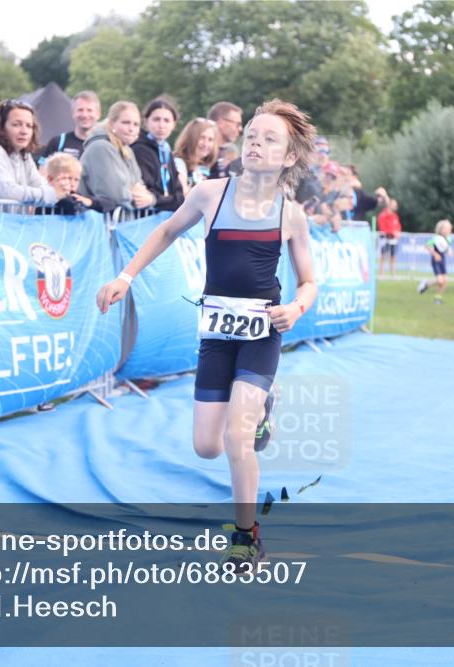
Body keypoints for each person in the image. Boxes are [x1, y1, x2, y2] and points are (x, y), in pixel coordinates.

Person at [96, 99, 318, 571]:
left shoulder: (290, 214)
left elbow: (309, 281)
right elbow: (165, 233)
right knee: (208, 447)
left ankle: (246, 535)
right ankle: (265, 408)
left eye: (269, 138)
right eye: (252, 134)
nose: (256, 142)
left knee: (238, 440)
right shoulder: (209, 194)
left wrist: (297, 308)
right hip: (217, 333)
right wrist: (126, 277)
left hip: (262, 333)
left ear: (290, 157)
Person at [0, 99, 66, 207]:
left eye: (29, 126)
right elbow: (8, 192)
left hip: (5, 222)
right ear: (1, 127)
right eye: (16, 124)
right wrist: (53, 195)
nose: (24, 131)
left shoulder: (23, 155)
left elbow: (39, 185)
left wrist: (63, 196)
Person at [79, 101, 155, 214]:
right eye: (126, 123)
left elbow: (140, 185)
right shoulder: (101, 147)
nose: (131, 129)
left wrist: (150, 199)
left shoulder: (126, 149)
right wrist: (135, 195)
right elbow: (114, 195)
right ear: (111, 124)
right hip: (100, 224)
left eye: (136, 124)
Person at [132, 95, 185, 212]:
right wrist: (165, 199)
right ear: (146, 121)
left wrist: (157, 200)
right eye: (156, 119)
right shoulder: (139, 149)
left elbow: (180, 196)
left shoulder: (166, 150)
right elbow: (148, 191)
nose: (161, 125)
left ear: (174, 124)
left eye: (166, 120)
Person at [40, 91, 101, 164]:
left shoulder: (107, 144)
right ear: (72, 113)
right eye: (80, 110)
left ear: (98, 114)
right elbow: (42, 171)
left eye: (89, 110)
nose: (84, 115)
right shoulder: (58, 142)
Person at [173, 117, 218, 194]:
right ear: (190, 138)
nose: (205, 144)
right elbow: (183, 196)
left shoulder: (203, 168)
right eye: (202, 138)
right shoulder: (178, 162)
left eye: (210, 139)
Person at [417, 219, 453, 303]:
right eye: (446, 228)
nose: (448, 230)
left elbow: (446, 248)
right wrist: (435, 254)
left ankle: (438, 298)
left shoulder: (448, 239)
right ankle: (426, 283)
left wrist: (449, 252)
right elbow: (427, 246)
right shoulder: (436, 238)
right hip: (435, 260)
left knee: (445, 280)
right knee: (440, 280)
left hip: (442, 260)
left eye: (449, 229)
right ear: (441, 229)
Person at [208, 101, 244, 177]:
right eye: (237, 124)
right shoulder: (200, 155)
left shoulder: (231, 151)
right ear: (221, 123)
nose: (240, 129)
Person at [376, 197, 402, 275]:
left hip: (393, 239)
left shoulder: (395, 216)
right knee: (383, 255)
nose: (395, 206)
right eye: (394, 205)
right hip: (385, 238)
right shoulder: (383, 215)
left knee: (393, 255)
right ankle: (381, 272)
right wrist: (392, 232)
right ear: (389, 205)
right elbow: (382, 228)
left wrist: (398, 233)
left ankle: (393, 272)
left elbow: (398, 226)